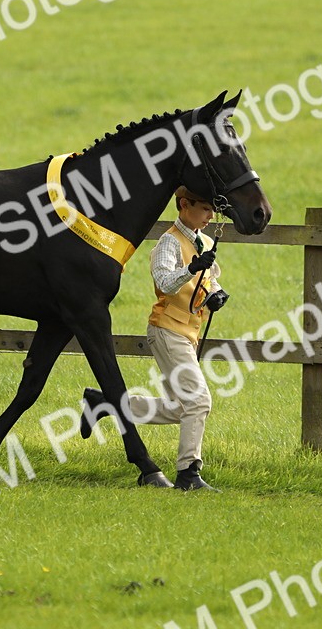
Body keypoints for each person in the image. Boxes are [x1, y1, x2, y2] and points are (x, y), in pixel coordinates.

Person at [79, 186, 229, 491]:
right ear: (184, 205)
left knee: (182, 407)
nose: (210, 216)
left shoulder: (207, 242)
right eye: (204, 209)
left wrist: (214, 295)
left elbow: (209, 279)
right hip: (167, 330)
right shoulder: (168, 243)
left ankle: (107, 403)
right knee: (199, 401)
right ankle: (189, 472)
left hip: (189, 332)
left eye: (213, 210)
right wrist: (191, 269)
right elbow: (164, 282)